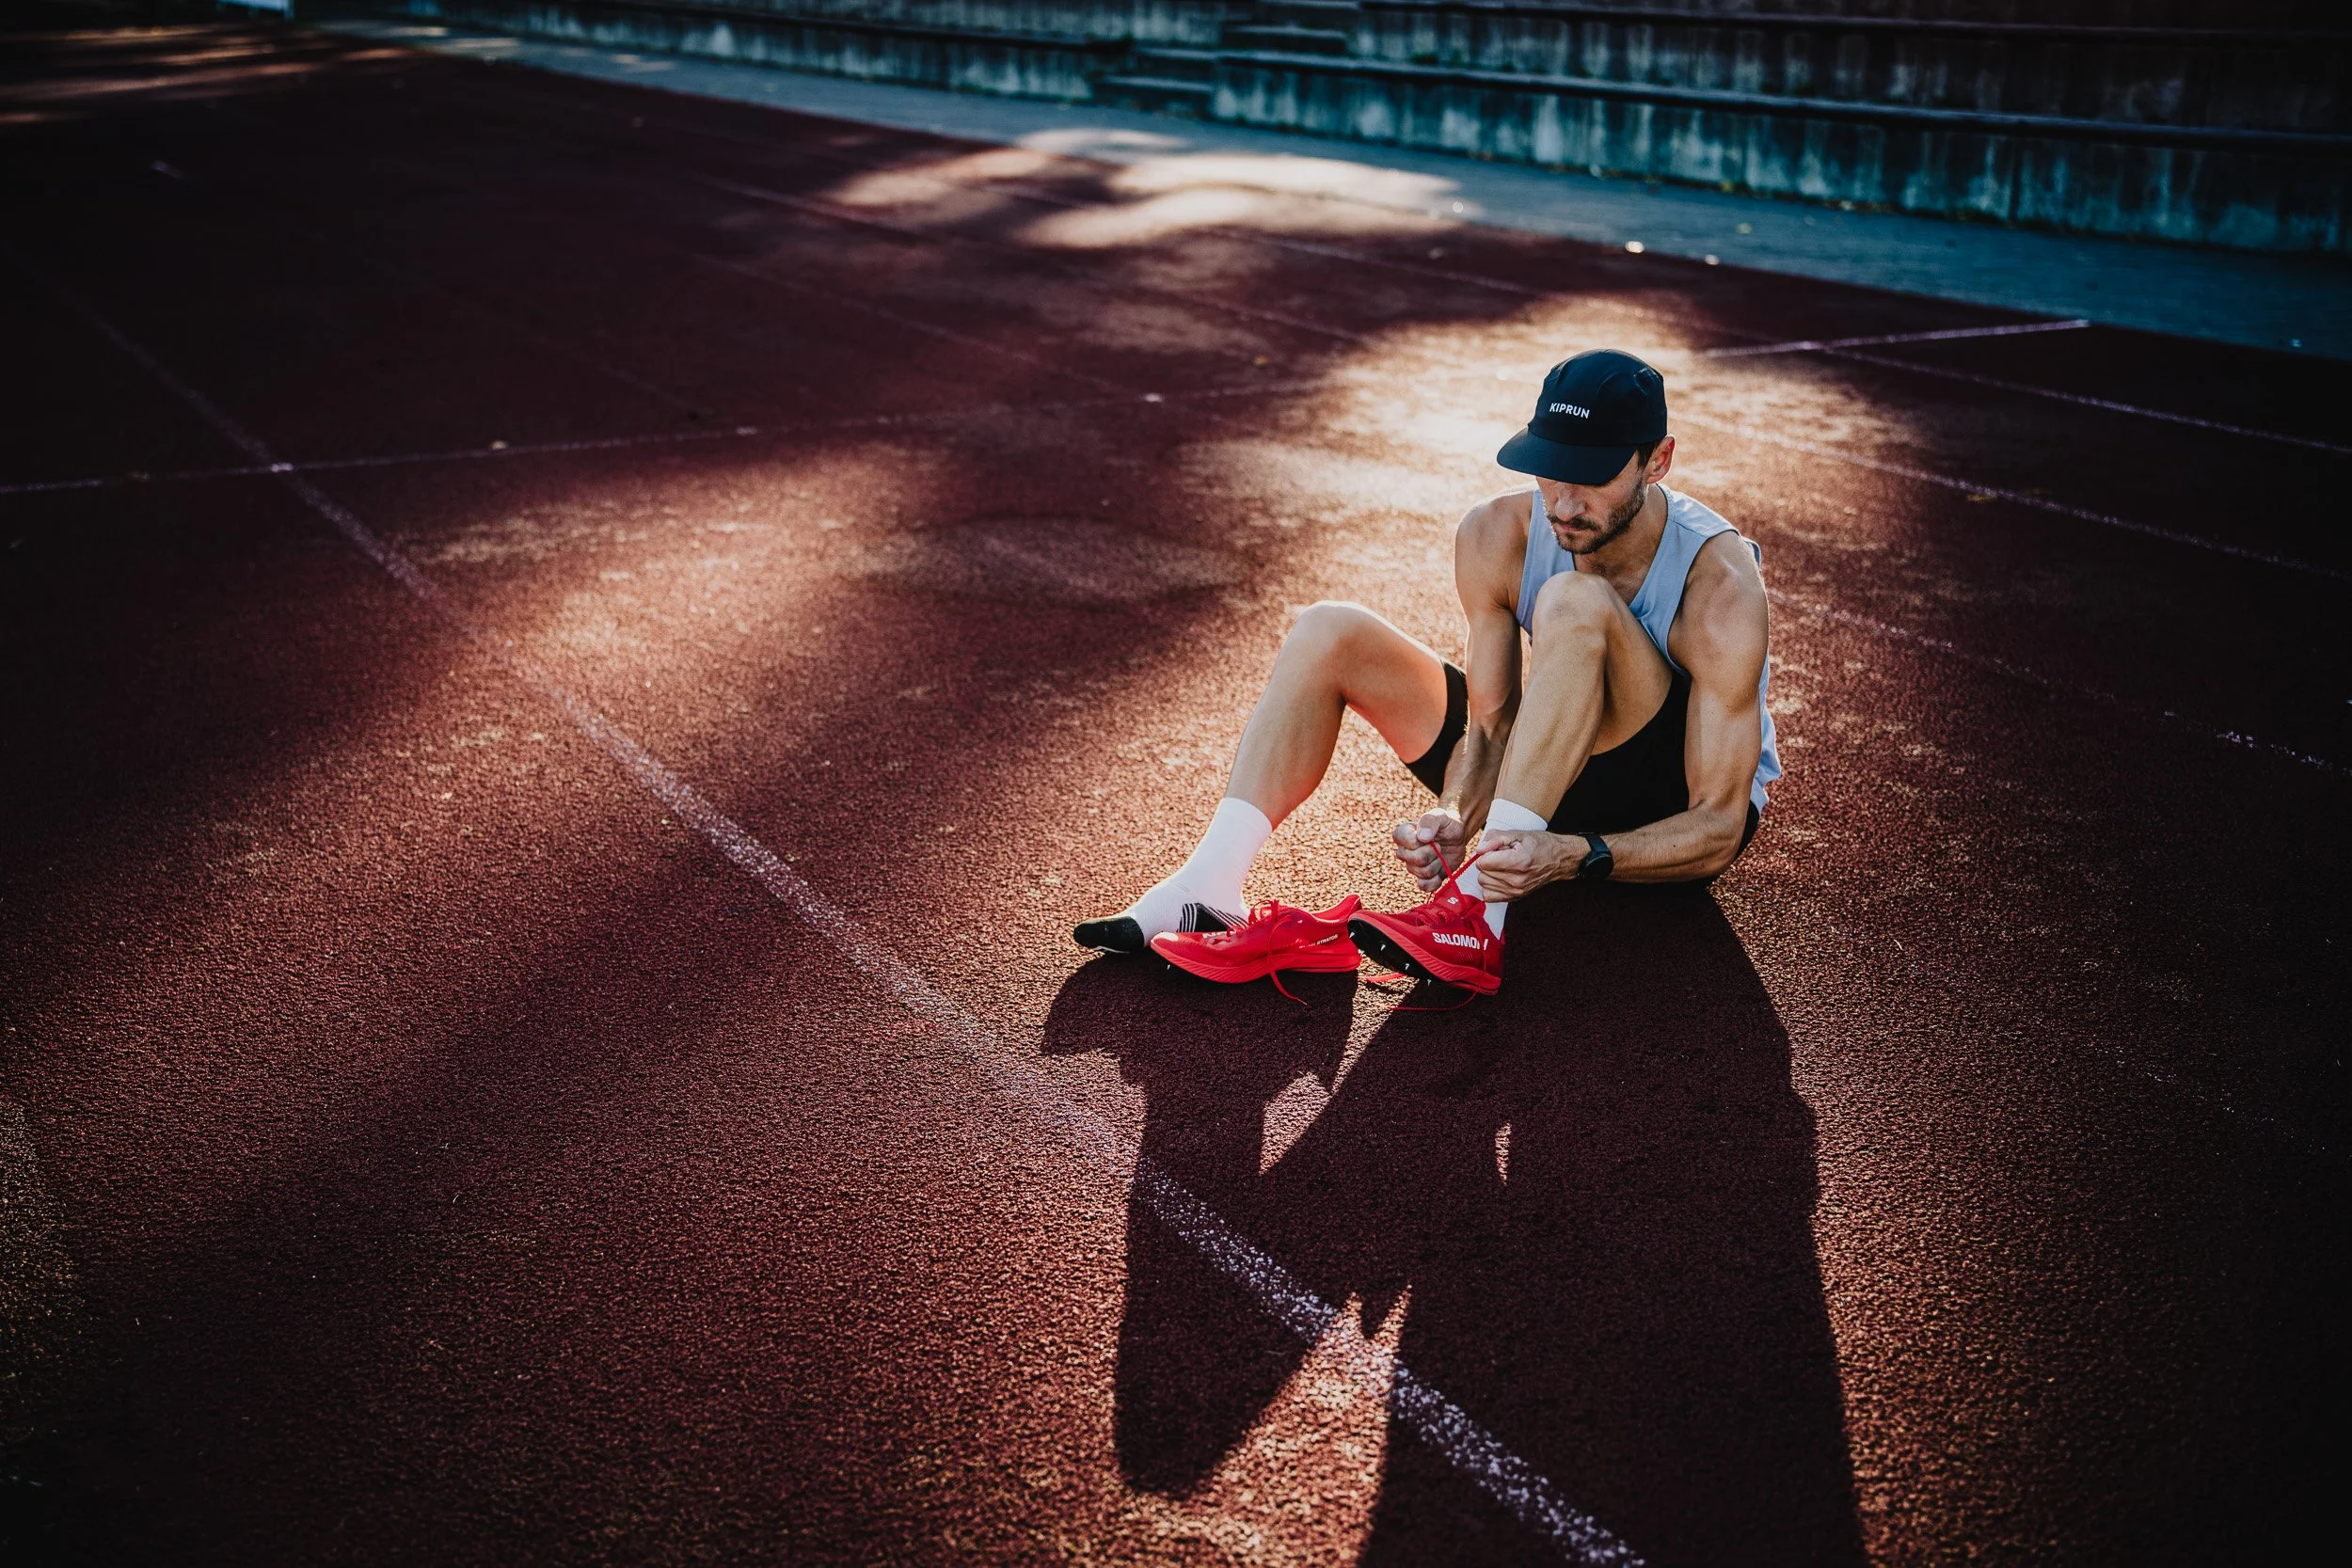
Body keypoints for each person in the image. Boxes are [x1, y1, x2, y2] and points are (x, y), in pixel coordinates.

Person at [1073, 350, 1780, 995]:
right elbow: (1493, 723)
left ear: (1657, 461)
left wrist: (1572, 855)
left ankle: (1480, 913)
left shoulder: (1718, 585)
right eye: (1551, 470)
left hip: (1663, 805)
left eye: (1593, 478)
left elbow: (1718, 826)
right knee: (1330, 627)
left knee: (1575, 600)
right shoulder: (1496, 534)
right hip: (1548, 774)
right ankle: (1208, 884)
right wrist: (1455, 812)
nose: (1564, 503)